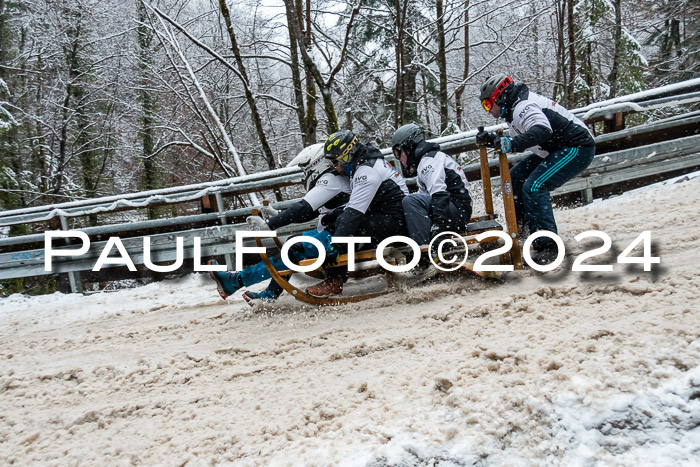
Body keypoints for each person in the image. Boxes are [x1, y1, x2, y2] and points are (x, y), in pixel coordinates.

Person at [207, 143, 351, 304]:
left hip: (338, 237)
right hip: (337, 234)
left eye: (305, 169)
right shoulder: (335, 180)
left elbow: (303, 208)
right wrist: (277, 215)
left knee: (293, 247)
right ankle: (256, 288)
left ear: (316, 164)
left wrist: (268, 224)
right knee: (292, 245)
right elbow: (311, 211)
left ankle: (239, 282)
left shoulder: (330, 180)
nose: (304, 175)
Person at [476, 74, 596, 264]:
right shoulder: (514, 109)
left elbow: (541, 130)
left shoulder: (524, 106)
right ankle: (521, 234)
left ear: (500, 96)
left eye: (488, 105)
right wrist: (492, 140)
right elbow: (523, 136)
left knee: (534, 186)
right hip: (556, 149)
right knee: (515, 178)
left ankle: (548, 247)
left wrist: (512, 144)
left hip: (578, 147)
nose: (488, 111)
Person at [305, 130, 409, 297]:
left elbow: (354, 213)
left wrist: (335, 245)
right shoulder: (364, 164)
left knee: (351, 226)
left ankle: (335, 280)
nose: (334, 168)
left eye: (334, 162)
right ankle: (336, 276)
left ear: (346, 156)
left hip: (397, 222)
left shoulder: (366, 171)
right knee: (344, 222)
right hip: (389, 216)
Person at [391, 123, 472, 247]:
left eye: (397, 152)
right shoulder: (425, 161)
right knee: (410, 203)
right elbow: (427, 200)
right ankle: (420, 245)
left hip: (459, 210)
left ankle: (424, 252)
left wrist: (438, 230)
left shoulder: (429, 162)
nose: (398, 159)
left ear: (408, 147)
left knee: (410, 201)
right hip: (453, 209)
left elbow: (440, 196)